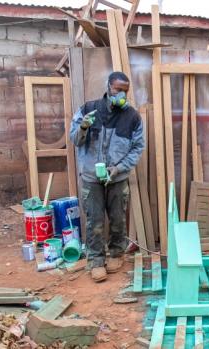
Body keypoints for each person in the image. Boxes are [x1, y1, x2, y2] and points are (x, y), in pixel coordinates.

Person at [70, 71, 145, 282]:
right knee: (94, 218)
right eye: (117, 89)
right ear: (108, 87)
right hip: (91, 176)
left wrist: (119, 168)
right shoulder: (88, 110)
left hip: (117, 176)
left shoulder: (132, 117)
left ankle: (116, 253)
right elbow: (75, 140)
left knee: (118, 217)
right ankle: (95, 260)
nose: (121, 94)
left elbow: (137, 148)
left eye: (125, 91)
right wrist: (83, 126)